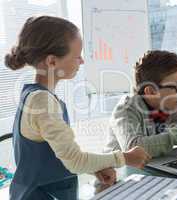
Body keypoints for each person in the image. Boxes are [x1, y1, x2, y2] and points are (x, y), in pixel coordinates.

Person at [5, 16, 150, 200]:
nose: (81, 61)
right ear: (52, 62)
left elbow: (61, 156)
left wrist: (94, 168)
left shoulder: (39, 97)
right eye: (77, 56)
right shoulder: (42, 102)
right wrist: (125, 158)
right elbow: (75, 161)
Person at [104, 50, 177, 158]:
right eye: (175, 87)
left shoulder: (169, 107)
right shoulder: (126, 109)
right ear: (151, 92)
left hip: (151, 166)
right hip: (119, 171)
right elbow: (133, 149)